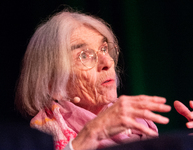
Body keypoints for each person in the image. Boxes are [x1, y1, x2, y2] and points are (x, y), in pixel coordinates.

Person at [15, 9, 171, 150]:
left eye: (104, 49)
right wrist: (90, 134)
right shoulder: (40, 137)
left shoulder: (138, 122)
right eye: (84, 55)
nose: (108, 62)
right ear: (52, 85)